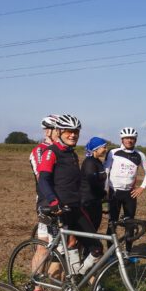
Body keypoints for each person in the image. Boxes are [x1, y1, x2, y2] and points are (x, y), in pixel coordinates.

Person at [37, 114, 103, 275]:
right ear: (59, 131)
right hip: (58, 209)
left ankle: (75, 279)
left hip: (75, 207)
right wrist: (53, 201)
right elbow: (43, 180)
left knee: (96, 248)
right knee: (59, 254)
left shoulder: (72, 154)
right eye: (68, 131)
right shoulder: (50, 152)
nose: (72, 135)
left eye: (76, 131)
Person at [104, 127, 146, 250]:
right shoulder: (113, 152)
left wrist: (141, 187)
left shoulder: (140, 155)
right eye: (126, 138)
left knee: (130, 224)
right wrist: (105, 190)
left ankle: (128, 251)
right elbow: (106, 170)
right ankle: (110, 252)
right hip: (114, 192)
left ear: (135, 140)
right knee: (112, 223)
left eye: (132, 138)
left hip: (130, 194)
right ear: (122, 139)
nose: (129, 140)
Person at [30, 115, 59, 241]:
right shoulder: (40, 150)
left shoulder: (62, 149)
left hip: (64, 199)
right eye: (58, 129)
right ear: (48, 131)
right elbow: (41, 178)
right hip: (47, 200)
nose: (61, 132)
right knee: (45, 244)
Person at [80, 137, 108, 232]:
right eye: (104, 147)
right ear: (96, 148)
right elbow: (92, 182)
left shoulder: (98, 161)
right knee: (87, 231)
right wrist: (104, 194)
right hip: (87, 202)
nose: (106, 149)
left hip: (95, 200)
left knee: (93, 229)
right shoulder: (89, 163)